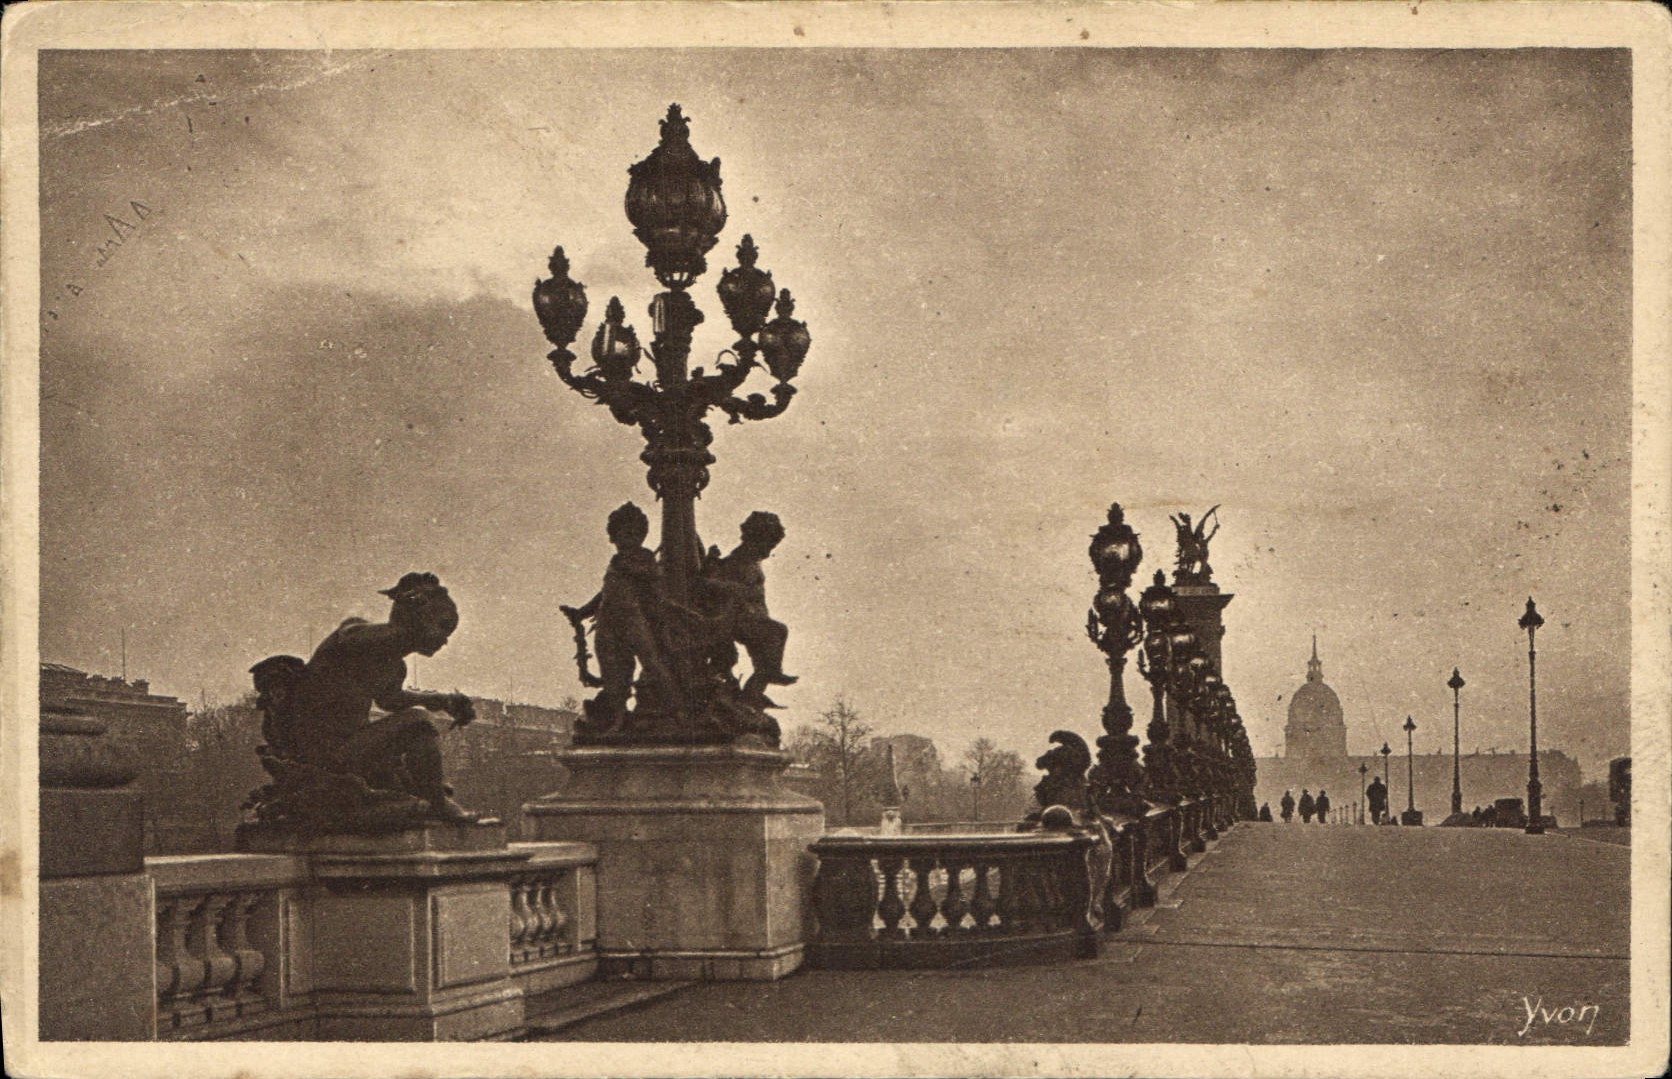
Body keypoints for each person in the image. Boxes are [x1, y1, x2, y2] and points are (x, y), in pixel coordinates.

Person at [264, 572, 479, 822]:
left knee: (416, 725)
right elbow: (350, 639)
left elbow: (391, 700)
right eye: (442, 627)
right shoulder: (357, 636)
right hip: (321, 753)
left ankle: (427, 801)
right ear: (419, 617)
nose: (444, 640)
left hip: (348, 747)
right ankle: (437, 805)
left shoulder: (393, 666)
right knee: (419, 723)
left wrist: (442, 700)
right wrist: (403, 632)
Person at [562, 502, 680, 730]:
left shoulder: (644, 557)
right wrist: (581, 612)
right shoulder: (615, 562)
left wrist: (635, 571)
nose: (629, 539)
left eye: (635, 534)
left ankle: (677, 711)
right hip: (608, 621)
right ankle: (619, 718)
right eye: (624, 534)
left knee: (651, 663)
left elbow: (655, 581)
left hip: (632, 619)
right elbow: (604, 595)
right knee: (613, 671)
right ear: (613, 536)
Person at [698, 511, 798, 703]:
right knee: (777, 632)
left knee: (765, 661)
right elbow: (709, 584)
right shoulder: (738, 560)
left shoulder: (749, 561)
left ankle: (754, 695)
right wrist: (742, 590)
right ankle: (767, 680)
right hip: (739, 619)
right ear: (755, 538)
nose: (769, 551)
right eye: (768, 544)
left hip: (752, 617)